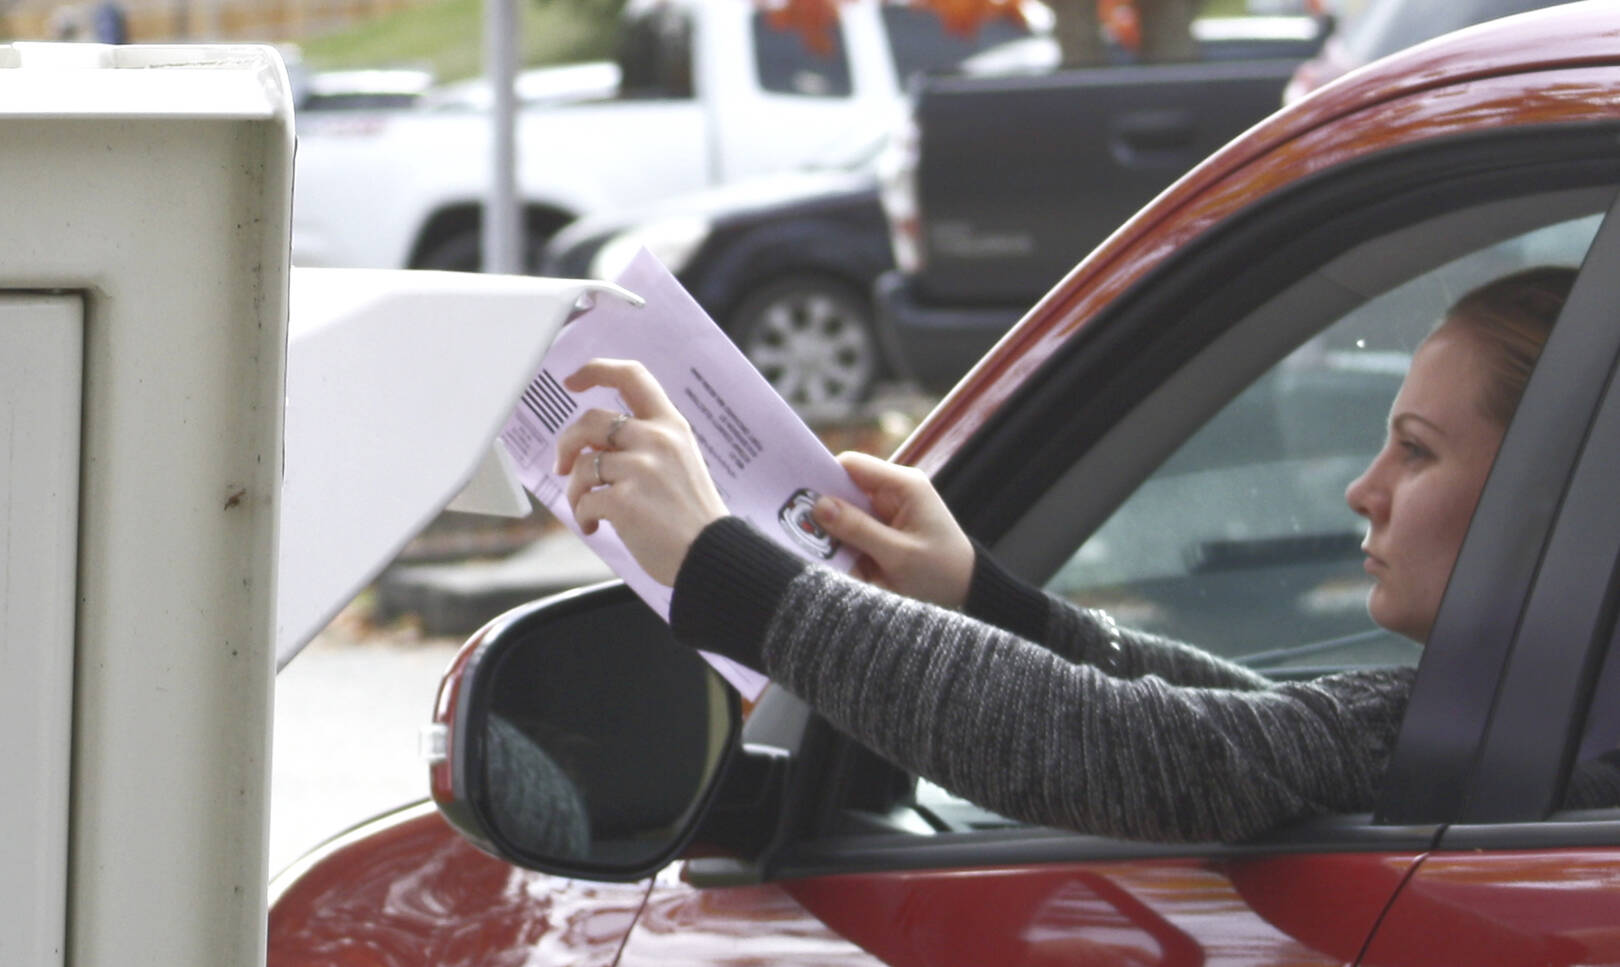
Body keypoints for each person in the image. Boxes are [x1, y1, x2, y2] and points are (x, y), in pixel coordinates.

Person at [553, 266, 1619, 843]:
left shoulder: (1560, 730)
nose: (1363, 488)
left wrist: (720, 564)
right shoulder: (1531, 715)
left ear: (1558, 492)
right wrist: (976, 595)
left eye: (1417, 450)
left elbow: (1161, 760)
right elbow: (1267, 744)